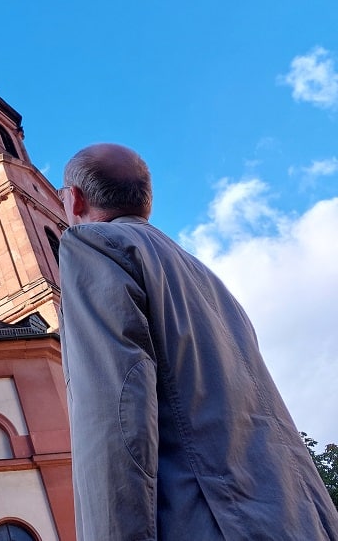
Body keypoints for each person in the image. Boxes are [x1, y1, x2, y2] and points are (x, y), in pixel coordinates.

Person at [58, 143, 338, 540]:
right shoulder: (208, 279)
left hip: (206, 519)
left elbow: (114, 413)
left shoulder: (93, 244)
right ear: (145, 202)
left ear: (76, 199)